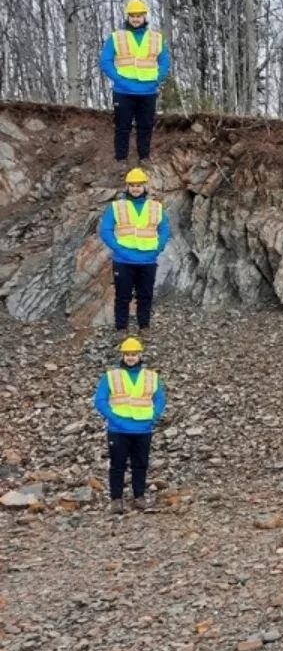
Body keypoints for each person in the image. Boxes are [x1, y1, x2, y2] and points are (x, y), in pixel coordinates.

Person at [94, 337, 166, 514]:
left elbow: (160, 399)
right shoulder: (111, 376)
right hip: (118, 430)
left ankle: (139, 497)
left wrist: (153, 417)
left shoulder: (151, 376)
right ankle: (116, 500)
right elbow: (100, 401)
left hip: (143, 429)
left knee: (140, 465)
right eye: (127, 354)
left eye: (133, 354)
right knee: (117, 465)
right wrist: (114, 419)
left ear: (140, 355)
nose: (131, 357)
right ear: (122, 355)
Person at [99, 0, 170, 168]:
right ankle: (121, 159)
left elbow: (165, 61)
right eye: (132, 16)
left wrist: (157, 79)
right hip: (123, 92)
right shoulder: (117, 37)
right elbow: (105, 61)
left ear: (145, 17)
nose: (136, 19)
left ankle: (144, 157)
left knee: (145, 126)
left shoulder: (156, 38)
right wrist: (118, 80)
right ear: (127, 17)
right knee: (122, 127)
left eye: (139, 16)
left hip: (148, 91)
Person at [99, 167, 170, 333]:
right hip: (123, 260)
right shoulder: (116, 207)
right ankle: (121, 327)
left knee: (145, 296)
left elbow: (165, 229)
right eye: (132, 185)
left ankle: (144, 326)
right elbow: (106, 231)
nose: (135, 188)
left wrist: (158, 248)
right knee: (123, 296)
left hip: (148, 259)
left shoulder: (155, 207)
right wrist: (119, 249)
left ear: (144, 186)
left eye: (139, 185)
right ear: (127, 187)